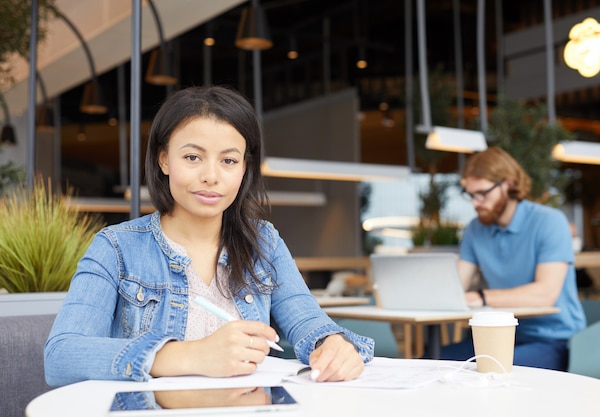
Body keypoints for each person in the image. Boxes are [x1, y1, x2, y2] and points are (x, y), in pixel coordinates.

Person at [44, 85, 374, 388]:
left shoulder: (265, 243)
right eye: (192, 157)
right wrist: (192, 355)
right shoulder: (116, 247)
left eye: (228, 160)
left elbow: (310, 323)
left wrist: (331, 345)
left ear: (244, 168)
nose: (211, 176)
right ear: (164, 159)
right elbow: (61, 355)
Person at [439, 146, 586, 371]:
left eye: (483, 193)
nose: (476, 203)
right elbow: (457, 287)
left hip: (553, 339)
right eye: (470, 195)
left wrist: (481, 297)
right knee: (430, 361)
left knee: (490, 371)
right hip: (496, 337)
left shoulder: (549, 222)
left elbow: (545, 294)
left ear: (508, 184)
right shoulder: (475, 230)